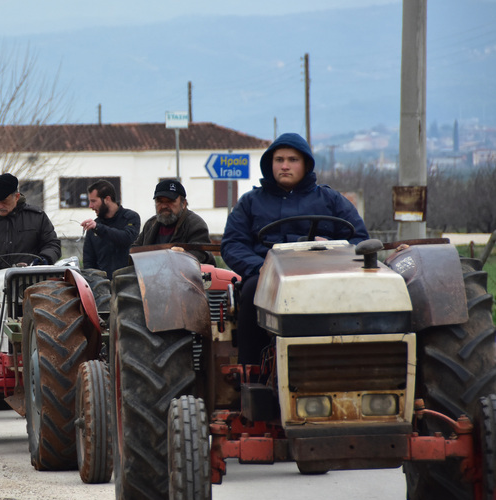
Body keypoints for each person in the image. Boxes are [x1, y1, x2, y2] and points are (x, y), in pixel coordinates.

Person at [221, 132, 370, 366]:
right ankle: (252, 370)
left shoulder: (330, 199)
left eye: (293, 160)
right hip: (267, 276)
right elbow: (232, 244)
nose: (285, 166)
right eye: (279, 160)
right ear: (270, 164)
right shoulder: (250, 202)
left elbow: (359, 239)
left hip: (325, 273)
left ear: (306, 164)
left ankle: (353, 362)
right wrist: (260, 268)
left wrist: (334, 251)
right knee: (250, 292)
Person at [0, 173, 62, 354]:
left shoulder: (37, 217)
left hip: (32, 279)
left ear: (17, 196)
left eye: (4, 201)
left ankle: (51, 348)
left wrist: (43, 260)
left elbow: (52, 245)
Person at [131, 179, 215, 265]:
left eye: (170, 201)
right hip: (150, 274)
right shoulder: (150, 224)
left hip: (184, 275)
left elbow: (200, 254)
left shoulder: (195, 224)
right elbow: (136, 249)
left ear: (184, 203)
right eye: (159, 201)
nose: (164, 206)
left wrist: (182, 255)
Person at [81, 179, 140, 279]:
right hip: (102, 286)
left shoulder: (130, 217)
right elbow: (88, 261)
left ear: (107, 199)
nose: (90, 206)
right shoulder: (94, 226)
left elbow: (126, 238)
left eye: (93, 201)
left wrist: (98, 228)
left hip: (128, 283)